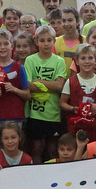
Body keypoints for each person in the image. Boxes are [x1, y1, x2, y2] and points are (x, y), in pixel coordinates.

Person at [24, 25, 68, 162]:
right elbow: (28, 85)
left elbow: (60, 86)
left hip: (53, 114)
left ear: (54, 41)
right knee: (36, 149)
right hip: (34, 114)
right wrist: (51, 85)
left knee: (52, 150)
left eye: (49, 40)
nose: (46, 43)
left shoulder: (59, 61)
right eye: (42, 40)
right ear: (36, 41)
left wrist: (38, 81)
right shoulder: (30, 60)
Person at [0, 30, 31, 147]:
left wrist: (14, 89)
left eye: (6, 44)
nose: (2, 47)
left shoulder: (19, 68)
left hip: (14, 117)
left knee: (12, 148)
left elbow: (28, 95)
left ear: (11, 46)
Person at [61, 43, 96, 142]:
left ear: (95, 60)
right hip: (74, 128)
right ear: (77, 61)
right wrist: (74, 109)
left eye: (90, 58)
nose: (87, 61)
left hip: (95, 129)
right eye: (83, 58)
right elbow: (62, 103)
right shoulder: (71, 81)